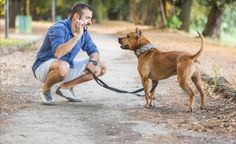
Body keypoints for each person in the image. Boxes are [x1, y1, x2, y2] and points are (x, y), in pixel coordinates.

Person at [32, 2, 106, 105]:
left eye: (90, 18)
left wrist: (92, 63)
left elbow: (94, 51)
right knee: (63, 66)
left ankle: (66, 87)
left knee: (101, 66)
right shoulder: (58, 28)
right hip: (43, 67)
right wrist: (76, 37)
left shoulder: (84, 32)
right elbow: (58, 53)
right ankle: (46, 90)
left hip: (66, 66)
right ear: (76, 16)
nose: (90, 22)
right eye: (87, 18)